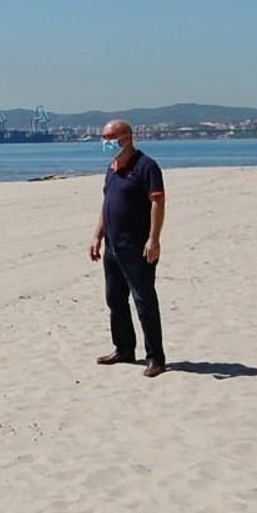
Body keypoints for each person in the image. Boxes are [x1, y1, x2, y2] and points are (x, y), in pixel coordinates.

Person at [88, 119, 168, 377]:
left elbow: (157, 203)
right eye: (103, 137)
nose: (105, 142)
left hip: (137, 247)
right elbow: (106, 204)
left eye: (109, 137)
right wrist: (97, 236)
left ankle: (155, 357)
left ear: (126, 137)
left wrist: (153, 239)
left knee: (144, 301)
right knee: (115, 300)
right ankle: (124, 348)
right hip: (112, 247)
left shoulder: (146, 167)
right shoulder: (111, 168)